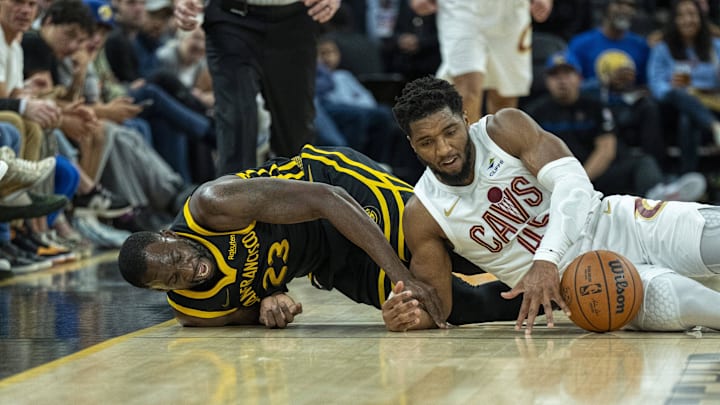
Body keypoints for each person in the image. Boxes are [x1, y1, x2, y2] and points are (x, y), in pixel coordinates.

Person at [390, 75, 720, 334]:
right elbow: (437, 307)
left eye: (450, 132)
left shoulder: (504, 129)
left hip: (622, 224)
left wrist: (545, 259)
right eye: (427, 142)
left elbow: (574, 186)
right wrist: (405, 315)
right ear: (411, 145)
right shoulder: (423, 214)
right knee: (709, 308)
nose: (445, 149)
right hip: (590, 287)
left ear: (465, 118)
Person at [118, 145, 524, 329]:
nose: (186, 269)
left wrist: (403, 273)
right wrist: (268, 304)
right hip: (327, 260)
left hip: (334, 188)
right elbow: (253, 312)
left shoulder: (213, 205)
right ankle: (564, 295)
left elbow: (328, 200)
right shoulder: (196, 311)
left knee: (463, 247)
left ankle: (561, 254)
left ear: (168, 234)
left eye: (175, 256)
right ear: (161, 292)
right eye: (171, 278)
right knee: (447, 308)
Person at [174, 0, 341, 175]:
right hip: (230, 18)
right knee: (235, 128)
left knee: (295, 140)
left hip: (295, 19)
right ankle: (232, 200)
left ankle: (293, 199)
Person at [526, 51, 705, 201]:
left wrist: (580, 181)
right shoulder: (535, 111)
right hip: (555, 183)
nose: (562, 80)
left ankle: (659, 198)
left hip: (594, 175)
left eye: (567, 74)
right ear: (546, 80)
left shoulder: (595, 105)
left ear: (579, 78)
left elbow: (606, 150)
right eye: (555, 75)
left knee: (642, 162)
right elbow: (529, 154)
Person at [409, 0, 553, 124]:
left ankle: (499, 152)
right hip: (460, 8)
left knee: (505, 95)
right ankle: (472, 151)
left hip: (509, 10)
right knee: (466, 86)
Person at [647, 0, 720, 173]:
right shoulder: (662, 49)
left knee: (689, 118)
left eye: (692, 14)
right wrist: (670, 88)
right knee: (681, 99)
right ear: (674, 20)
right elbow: (656, 85)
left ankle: (689, 176)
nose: (687, 20)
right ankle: (715, 127)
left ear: (701, 19)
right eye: (681, 15)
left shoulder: (715, 47)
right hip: (673, 106)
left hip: (711, 104)